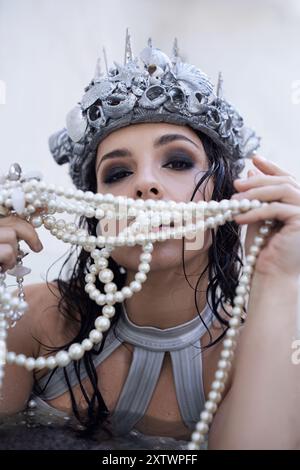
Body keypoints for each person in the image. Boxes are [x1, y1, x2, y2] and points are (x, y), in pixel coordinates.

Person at [0, 35, 300, 450]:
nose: (144, 185)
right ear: (96, 212)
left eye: (177, 162)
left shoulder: (273, 335)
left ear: (227, 193)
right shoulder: (31, 323)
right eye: (118, 173)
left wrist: (280, 281)